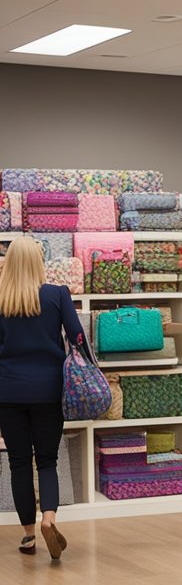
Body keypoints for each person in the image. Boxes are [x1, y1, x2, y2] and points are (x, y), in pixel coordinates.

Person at [0, 236, 85, 560]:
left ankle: (27, 537)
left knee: (18, 462)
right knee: (47, 459)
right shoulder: (56, 295)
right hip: (49, 389)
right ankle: (49, 518)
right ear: (39, 262)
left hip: (8, 391)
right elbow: (77, 336)